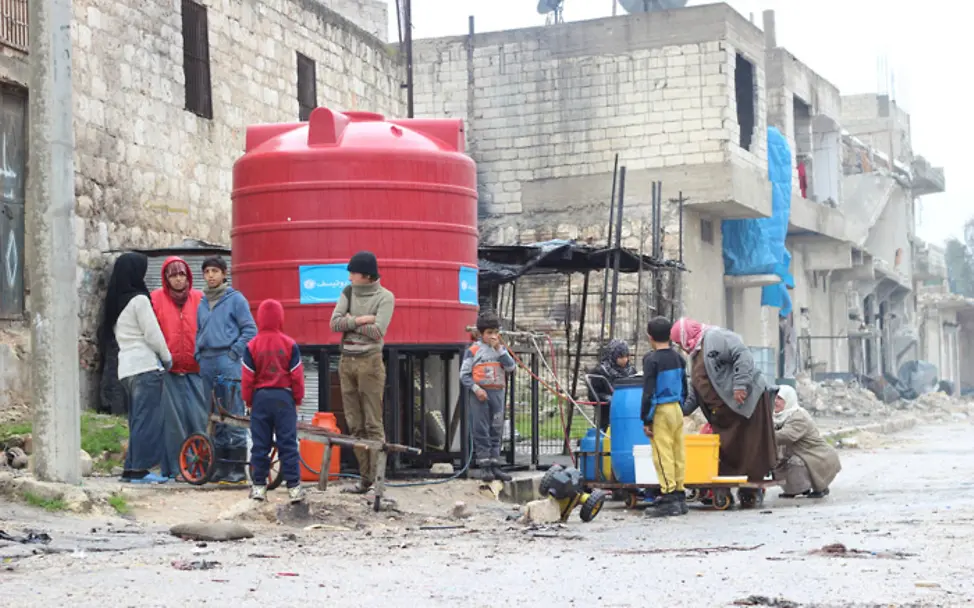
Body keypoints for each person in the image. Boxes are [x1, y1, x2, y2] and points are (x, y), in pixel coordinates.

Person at [672, 317, 777, 508]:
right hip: (724, 413)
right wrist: (681, 411)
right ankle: (727, 488)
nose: (681, 346)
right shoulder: (694, 354)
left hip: (745, 402)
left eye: (680, 341)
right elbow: (698, 387)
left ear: (686, 335)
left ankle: (751, 491)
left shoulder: (715, 337)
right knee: (726, 450)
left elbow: (742, 355)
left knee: (750, 447)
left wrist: (740, 385)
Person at [97, 253, 173, 484]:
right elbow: (152, 335)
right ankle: (140, 470)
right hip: (145, 366)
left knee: (136, 420)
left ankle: (130, 469)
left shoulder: (115, 304)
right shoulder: (139, 300)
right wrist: (167, 358)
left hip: (126, 369)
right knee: (147, 421)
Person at [329, 251, 396, 494]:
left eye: (353, 273)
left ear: (366, 275)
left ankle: (378, 478)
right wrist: (361, 320)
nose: (349, 278)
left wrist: (350, 320)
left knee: (372, 422)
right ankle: (364, 478)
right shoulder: (348, 293)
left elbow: (378, 331)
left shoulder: (385, 297)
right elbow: (334, 323)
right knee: (354, 423)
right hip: (347, 360)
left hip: (370, 362)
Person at [195, 255, 257, 485]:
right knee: (213, 413)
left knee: (232, 410)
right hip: (207, 360)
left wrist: (234, 352)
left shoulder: (235, 299)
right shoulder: (202, 302)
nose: (210, 275)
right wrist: (197, 353)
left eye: (215, 271)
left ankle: (238, 468)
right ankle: (220, 466)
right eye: (207, 271)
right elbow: (199, 329)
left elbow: (250, 329)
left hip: (227, 359)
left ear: (224, 274)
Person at [242, 299, 306, 504]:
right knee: (288, 443)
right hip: (284, 398)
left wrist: (248, 400)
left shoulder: (251, 345)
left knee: (260, 445)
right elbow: (297, 375)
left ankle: (259, 487)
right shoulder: (290, 344)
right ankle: (294, 488)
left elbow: (247, 378)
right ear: (281, 317)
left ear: (259, 318)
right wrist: (297, 398)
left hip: (260, 398)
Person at [151, 256, 207, 481]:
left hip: (196, 369)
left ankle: (202, 467)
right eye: (173, 275)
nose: (178, 279)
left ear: (188, 277)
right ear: (166, 278)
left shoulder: (200, 298)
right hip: (169, 371)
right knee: (173, 424)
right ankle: (177, 468)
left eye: (181, 274)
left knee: (199, 419)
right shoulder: (156, 299)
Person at [460, 311, 517, 483]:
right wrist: (476, 389)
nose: (493, 336)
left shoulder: (501, 350)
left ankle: (495, 464)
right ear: (481, 334)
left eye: (495, 332)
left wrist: (500, 349)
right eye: (489, 333)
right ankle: (484, 466)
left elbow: (511, 367)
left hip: (497, 393)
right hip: (480, 395)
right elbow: (464, 375)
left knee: (496, 429)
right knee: (481, 429)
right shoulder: (473, 351)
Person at [640, 317, 689, 517]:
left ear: (650, 337)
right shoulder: (679, 358)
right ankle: (679, 491)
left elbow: (649, 392)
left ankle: (668, 495)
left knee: (662, 453)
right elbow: (685, 387)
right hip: (677, 408)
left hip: (660, 409)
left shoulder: (652, 360)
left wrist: (646, 418)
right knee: (678, 451)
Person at [772, 385, 841, 499]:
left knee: (795, 463)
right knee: (777, 464)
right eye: (774, 398)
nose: (775, 401)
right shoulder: (779, 416)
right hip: (798, 452)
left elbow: (787, 436)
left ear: (788, 400)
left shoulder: (798, 416)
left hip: (817, 456)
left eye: (780, 398)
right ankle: (797, 489)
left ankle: (818, 487)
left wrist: (765, 435)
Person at [591, 339, 638, 430]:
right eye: (620, 357)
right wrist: (607, 397)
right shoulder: (600, 371)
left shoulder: (631, 371)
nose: (624, 360)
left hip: (629, 412)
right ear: (613, 356)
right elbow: (593, 394)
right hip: (608, 414)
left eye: (626, 356)